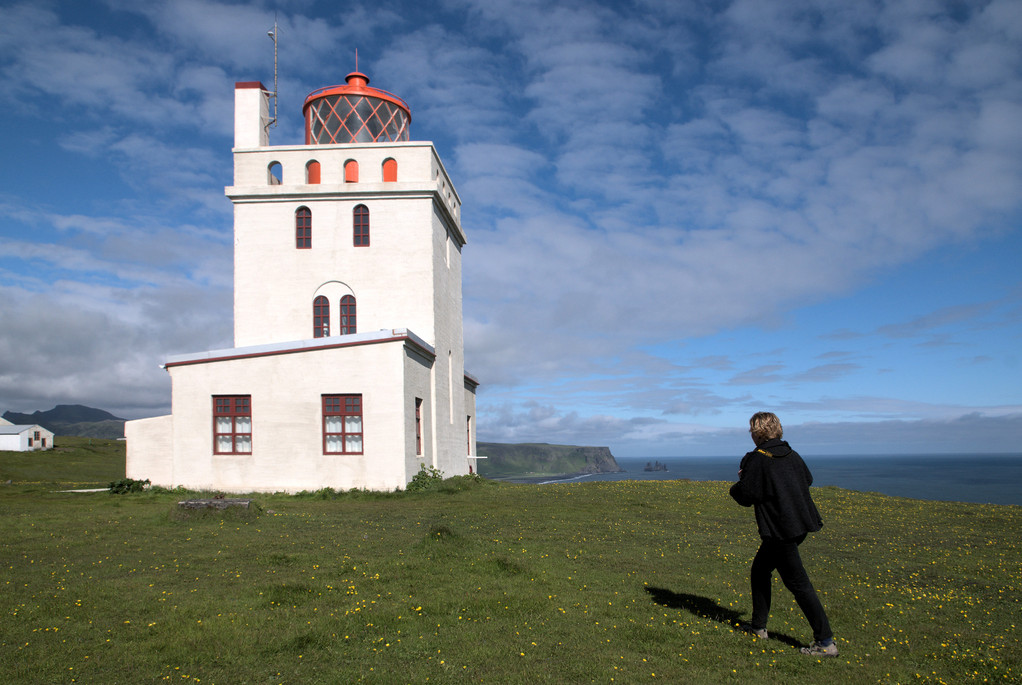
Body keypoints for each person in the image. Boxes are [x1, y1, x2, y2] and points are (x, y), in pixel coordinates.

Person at [729, 412, 838, 657]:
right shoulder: (791, 454)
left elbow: (745, 495)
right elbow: (807, 479)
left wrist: (740, 482)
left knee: (798, 583)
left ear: (757, 432)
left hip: (780, 530)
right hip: (799, 525)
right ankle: (758, 627)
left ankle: (825, 642)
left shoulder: (758, 459)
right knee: (760, 570)